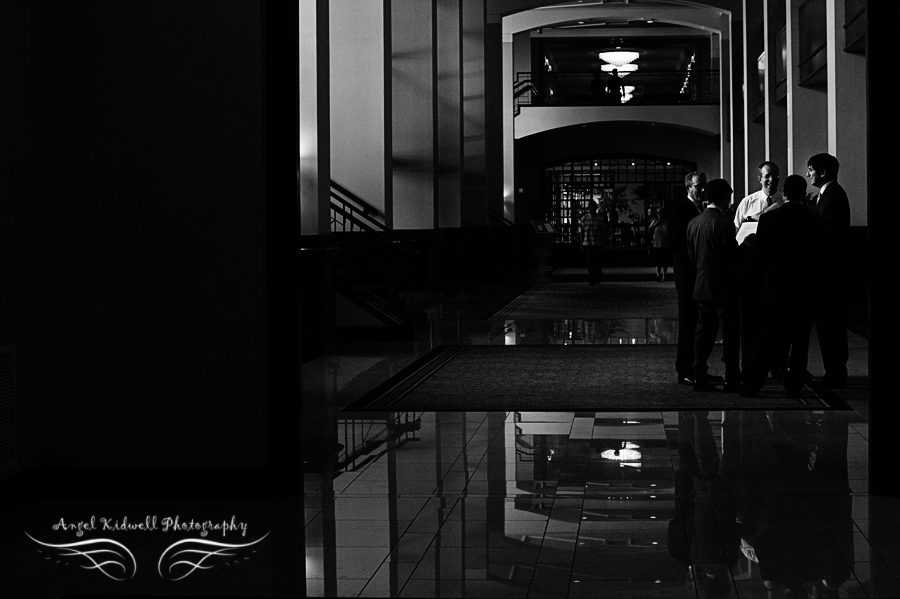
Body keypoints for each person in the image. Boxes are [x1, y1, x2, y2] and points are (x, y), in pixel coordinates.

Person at [740, 175, 819, 398]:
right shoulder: (812, 219)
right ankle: (794, 385)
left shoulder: (769, 219)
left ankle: (752, 384)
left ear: (783, 194)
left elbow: (762, 255)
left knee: (766, 336)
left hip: (775, 286)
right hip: (803, 288)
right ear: (803, 194)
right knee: (800, 339)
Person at [661, 172, 724, 386]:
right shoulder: (680, 209)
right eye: (699, 186)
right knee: (689, 323)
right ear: (688, 187)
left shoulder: (700, 210)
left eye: (705, 186)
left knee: (701, 322)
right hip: (688, 274)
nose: (703, 190)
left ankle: (699, 368)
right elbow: (676, 242)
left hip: (700, 272)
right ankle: (686, 369)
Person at [686, 179, 742, 392]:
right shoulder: (724, 223)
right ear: (725, 198)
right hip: (725, 287)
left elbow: (692, 257)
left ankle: (699, 373)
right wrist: (747, 245)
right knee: (729, 332)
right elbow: (733, 256)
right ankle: (731, 376)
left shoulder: (693, 223)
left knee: (703, 332)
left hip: (702, 286)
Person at [734, 161, 787, 382]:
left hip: (775, 271)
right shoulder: (748, 203)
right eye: (767, 176)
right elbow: (736, 234)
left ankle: (777, 365)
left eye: (775, 176)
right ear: (759, 178)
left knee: (776, 323)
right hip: (751, 272)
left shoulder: (784, 204)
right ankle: (749, 365)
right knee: (750, 323)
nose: (771, 180)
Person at [807, 153, 851, 389]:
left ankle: (835, 372)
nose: (808, 174)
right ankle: (833, 370)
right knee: (827, 324)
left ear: (822, 172)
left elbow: (827, 236)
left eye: (811, 169)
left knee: (831, 324)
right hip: (827, 272)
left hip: (829, 274)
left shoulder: (833, 196)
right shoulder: (826, 195)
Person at [579, 200, 605, 285]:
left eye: (594, 207)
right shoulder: (584, 218)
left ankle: (598, 273)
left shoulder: (600, 218)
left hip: (597, 243)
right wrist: (581, 244)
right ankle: (592, 278)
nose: (592, 209)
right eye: (591, 207)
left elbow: (603, 232)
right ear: (589, 208)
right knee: (590, 262)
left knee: (598, 261)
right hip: (588, 243)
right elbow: (581, 232)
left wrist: (604, 243)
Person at [647, 208, 671, 282]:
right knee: (657, 261)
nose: (659, 215)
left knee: (664, 261)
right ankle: (658, 275)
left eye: (660, 213)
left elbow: (669, 232)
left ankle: (664, 275)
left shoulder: (666, 222)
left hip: (665, 244)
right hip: (656, 243)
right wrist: (655, 225)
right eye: (658, 213)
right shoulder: (655, 221)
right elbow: (649, 230)